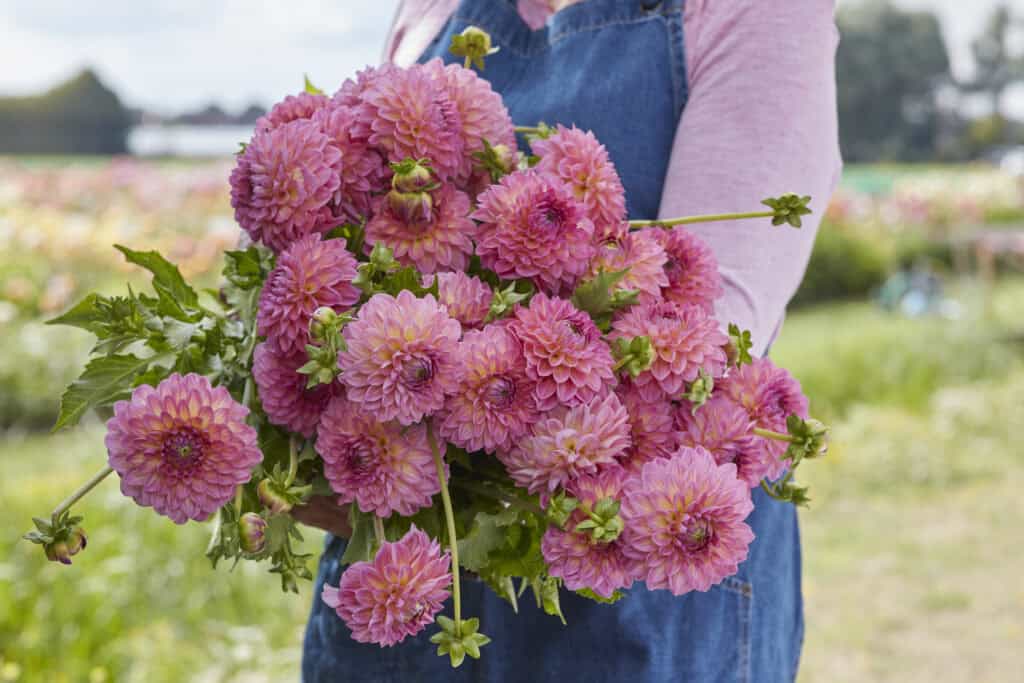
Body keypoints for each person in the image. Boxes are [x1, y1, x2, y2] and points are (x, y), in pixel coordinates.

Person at [298, 1, 841, 681]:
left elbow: (706, 347)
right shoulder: (432, 9)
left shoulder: (756, 12)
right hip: (402, 587)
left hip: (636, 575)